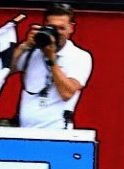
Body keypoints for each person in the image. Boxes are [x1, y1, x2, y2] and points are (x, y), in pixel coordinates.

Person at [10, 2, 92, 130]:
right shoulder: (33, 52)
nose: (56, 33)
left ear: (71, 28)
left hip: (58, 131)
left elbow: (67, 93)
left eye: (61, 28)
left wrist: (51, 59)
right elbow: (5, 70)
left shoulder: (80, 56)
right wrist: (24, 46)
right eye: (52, 27)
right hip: (24, 130)